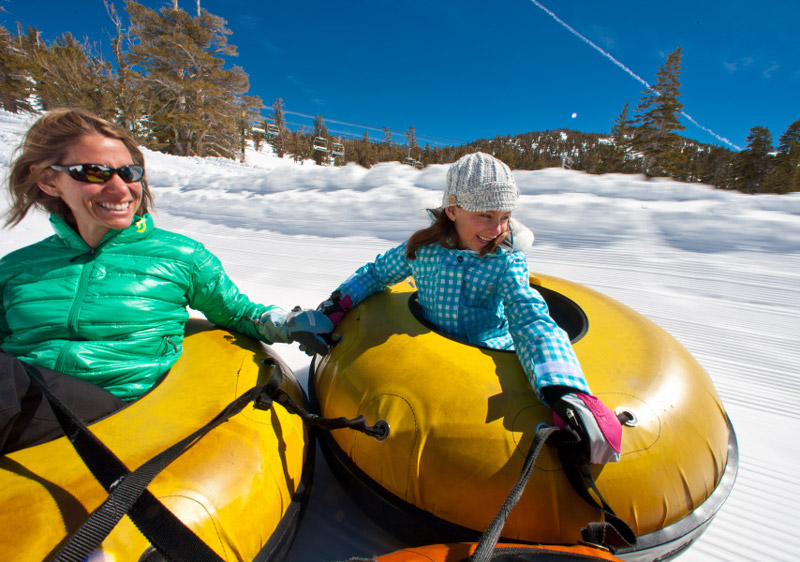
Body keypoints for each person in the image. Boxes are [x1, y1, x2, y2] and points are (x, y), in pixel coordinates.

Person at [0, 108, 332, 454]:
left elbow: (236, 312)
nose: (120, 189)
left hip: (115, 409)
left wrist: (287, 324)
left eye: (129, 172)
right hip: (23, 408)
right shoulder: (16, 267)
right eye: (93, 173)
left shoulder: (180, 256)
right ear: (48, 181)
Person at [318, 152, 621, 463]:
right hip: (430, 349)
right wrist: (340, 302)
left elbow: (529, 315)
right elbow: (376, 273)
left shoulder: (506, 261)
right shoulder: (424, 251)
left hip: (490, 351)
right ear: (452, 209)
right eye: (486, 215)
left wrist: (565, 390)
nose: (497, 228)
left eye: (505, 216)